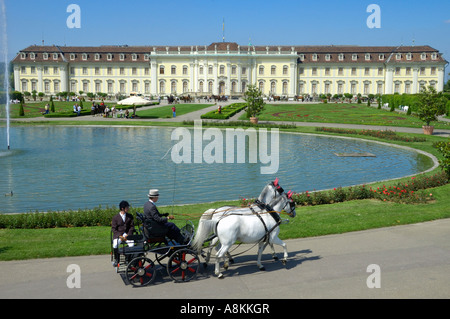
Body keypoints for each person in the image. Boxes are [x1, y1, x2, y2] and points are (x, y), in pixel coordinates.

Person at [111, 200, 135, 267]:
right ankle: (116, 259)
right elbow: (114, 229)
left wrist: (128, 234)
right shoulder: (115, 218)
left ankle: (128, 259)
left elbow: (131, 227)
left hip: (127, 234)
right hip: (118, 235)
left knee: (131, 244)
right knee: (115, 244)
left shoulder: (130, 216)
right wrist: (120, 236)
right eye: (127, 207)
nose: (128, 208)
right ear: (122, 208)